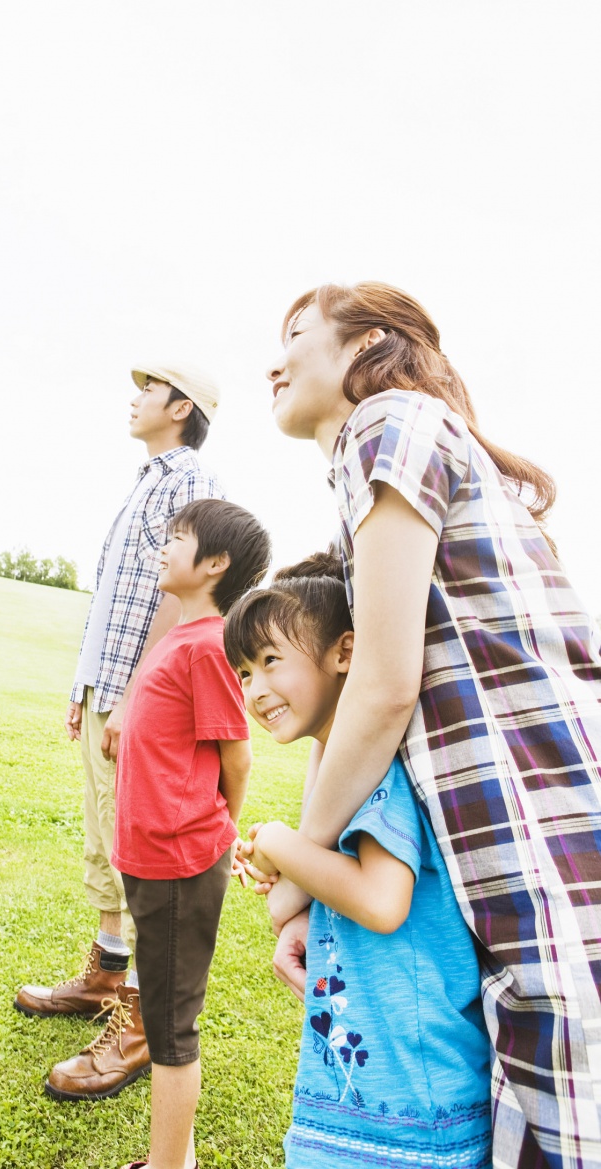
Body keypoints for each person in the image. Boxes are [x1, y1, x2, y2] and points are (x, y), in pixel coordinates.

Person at [262, 282, 601, 1169]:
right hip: (517, 842)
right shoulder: (371, 474)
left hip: (548, 831)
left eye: (297, 332)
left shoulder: (391, 421)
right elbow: (356, 715)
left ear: (369, 342)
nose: (275, 356)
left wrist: (298, 867)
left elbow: (380, 687)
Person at [224, 552, 492, 1168]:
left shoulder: (381, 771)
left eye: (270, 662)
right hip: (363, 1090)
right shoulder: (337, 772)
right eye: (243, 673)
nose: (256, 689)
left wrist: (279, 844)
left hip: (414, 1106)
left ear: (344, 652)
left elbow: (381, 899)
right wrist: (289, 880)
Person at [15, 363, 224, 1100]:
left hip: (143, 693)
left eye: (148, 386)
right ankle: (107, 969)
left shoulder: (187, 476)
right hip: (109, 683)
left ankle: (137, 1014)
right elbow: (117, 590)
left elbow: (184, 592)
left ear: (181, 405)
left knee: (135, 844)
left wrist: (137, 693)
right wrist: (87, 683)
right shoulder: (150, 476)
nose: (133, 397)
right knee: (102, 831)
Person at [91, 498, 271, 1169]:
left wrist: (213, 830)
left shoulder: (209, 645)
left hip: (179, 861)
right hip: (152, 857)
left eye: (179, 537)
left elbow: (237, 755)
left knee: (170, 1030)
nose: (165, 546)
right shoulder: (181, 633)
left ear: (215, 563)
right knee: (165, 1007)